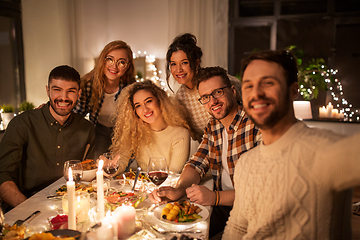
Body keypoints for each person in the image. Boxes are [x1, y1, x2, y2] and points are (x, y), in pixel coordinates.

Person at [222, 50, 357, 239]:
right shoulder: (245, 163)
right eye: (248, 86)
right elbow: (237, 227)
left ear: (294, 90)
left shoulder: (323, 151)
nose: (256, 93)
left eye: (268, 83)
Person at [149, 67, 261, 238]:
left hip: (252, 214)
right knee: (167, 231)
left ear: (232, 91)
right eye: (206, 97)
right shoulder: (213, 126)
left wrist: (215, 198)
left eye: (218, 92)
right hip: (222, 208)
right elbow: (197, 163)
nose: (213, 101)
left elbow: (262, 190)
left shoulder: (256, 124)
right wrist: (179, 190)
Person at [0, 65, 95, 210]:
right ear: (48, 91)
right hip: (25, 204)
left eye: (71, 91)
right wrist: (27, 208)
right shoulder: (22, 124)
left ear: (79, 93)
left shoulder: (87, 129)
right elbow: (2, 174)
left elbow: (89, 172)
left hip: (70, 205)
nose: (64, 97)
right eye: (57, 90)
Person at [166, 33, 242, 143]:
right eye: (173, 64)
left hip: (240, 139)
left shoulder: (219, 81)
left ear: (196, 63)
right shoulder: (180, 98)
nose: (178, 70)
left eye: (184, 63)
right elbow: (196, 136)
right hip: (212, 148)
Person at [109, 80, 191, 174]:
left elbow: (173, 174)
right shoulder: (135, 132)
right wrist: (111, 167)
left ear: (160, 100)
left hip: (169, 187)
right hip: (144, 186)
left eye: (148, 101)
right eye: (138, 106)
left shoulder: (180, 133)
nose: (145, 109)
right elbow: (121, 162)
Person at [74, 40, 136, 159]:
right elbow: (76, 114)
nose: (114, 66)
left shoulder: (131, 88)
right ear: (103, 60)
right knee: (100, 165)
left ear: (127, 66)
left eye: (121, 62)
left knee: (119, 166)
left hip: (122, 133)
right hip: (99, 130)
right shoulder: (88, 85)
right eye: (110, 59)